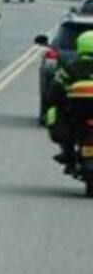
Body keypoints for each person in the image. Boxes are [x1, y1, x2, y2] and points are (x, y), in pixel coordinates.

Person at [46, 30, 93, 171]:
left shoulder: (70, 66)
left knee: (59, 116)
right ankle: (67, 152)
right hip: (76, 117)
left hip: (76, 113)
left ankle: (67, 152)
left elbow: (57, 87)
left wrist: (54, 101)